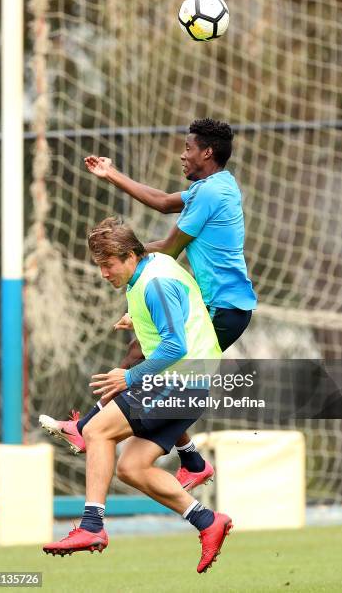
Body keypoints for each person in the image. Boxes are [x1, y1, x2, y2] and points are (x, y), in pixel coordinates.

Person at [41, 118, 257, 489]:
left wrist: (122, 253)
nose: (182, 155)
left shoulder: (210, 194)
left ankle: (86, 426)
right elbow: (161, 202)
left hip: (225, 308)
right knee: (154, 363)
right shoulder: (217, 184)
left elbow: (170, 248)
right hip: (220, 305)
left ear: (207, 152)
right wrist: (112, 174)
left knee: (146, 358)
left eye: (188, 148)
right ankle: (191, 460)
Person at [42, 217, 232, 573]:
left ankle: (92, 526)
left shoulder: (154, 283)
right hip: (193, 383)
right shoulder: (151, 268)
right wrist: (140, 319)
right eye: (99, 265)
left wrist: (129, 377)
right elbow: (176, 314)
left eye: (108, 264)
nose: (103, 273)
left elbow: (175, 345)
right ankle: (208, 520)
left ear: (130, 256)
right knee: (131, 468)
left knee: (96, 431)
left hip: (181, 381)